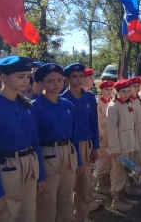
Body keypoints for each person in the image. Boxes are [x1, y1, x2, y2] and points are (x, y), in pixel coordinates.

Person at [0, 56, 45, 222]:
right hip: (5, 172)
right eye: (20, 76)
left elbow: (35, 143)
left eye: (28, 76)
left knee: (28, 216)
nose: (26, 81)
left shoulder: (26, 105)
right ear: (3, 77)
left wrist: (41, 175)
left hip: (29, 169)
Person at [33, 63, 83, 222]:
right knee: (47, 199)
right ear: (40, 83)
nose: (56, 84)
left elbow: (74, 135)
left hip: (68, 152)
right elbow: (33, 140)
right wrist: (39, 172)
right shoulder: (35, 107)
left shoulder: (67, 105)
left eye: (59, 80)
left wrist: (79, 161)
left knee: (66, 196)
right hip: (47, 154)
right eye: (50, 81)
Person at [61, 63, 100, 222]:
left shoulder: (89, 97)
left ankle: (82, 216)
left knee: (84, 184)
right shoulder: (62, 99)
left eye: (81, 76)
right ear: (67, 79)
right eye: (74, 76)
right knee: (68, 185)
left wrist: (95, 146)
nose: (78, 79)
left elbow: (94, 123)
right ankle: (69, 217)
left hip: (86, 144)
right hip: (69, 147)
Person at [106, 79, 141, 212]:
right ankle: (116, 200)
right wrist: (115, 149)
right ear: (117, 92)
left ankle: (124, 195)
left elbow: (132, 126)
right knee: (118, 173)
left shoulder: (128, 103)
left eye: (128, 91)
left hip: (130, 142)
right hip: (120, 145)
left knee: (127, 171)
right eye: (123, 91)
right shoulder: (113, 106)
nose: (126, 94)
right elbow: (112, 130)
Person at [94, 80, 115, 195]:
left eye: (111, 89)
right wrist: (98, 133)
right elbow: (97, 120)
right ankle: (101, 184)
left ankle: (108, 181)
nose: (109, 92)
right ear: (101, 91)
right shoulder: (98, 103)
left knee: (110, 159)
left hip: (110, 135)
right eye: (106, 89)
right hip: (102, 135)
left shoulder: (111, 102)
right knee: (102, 159)